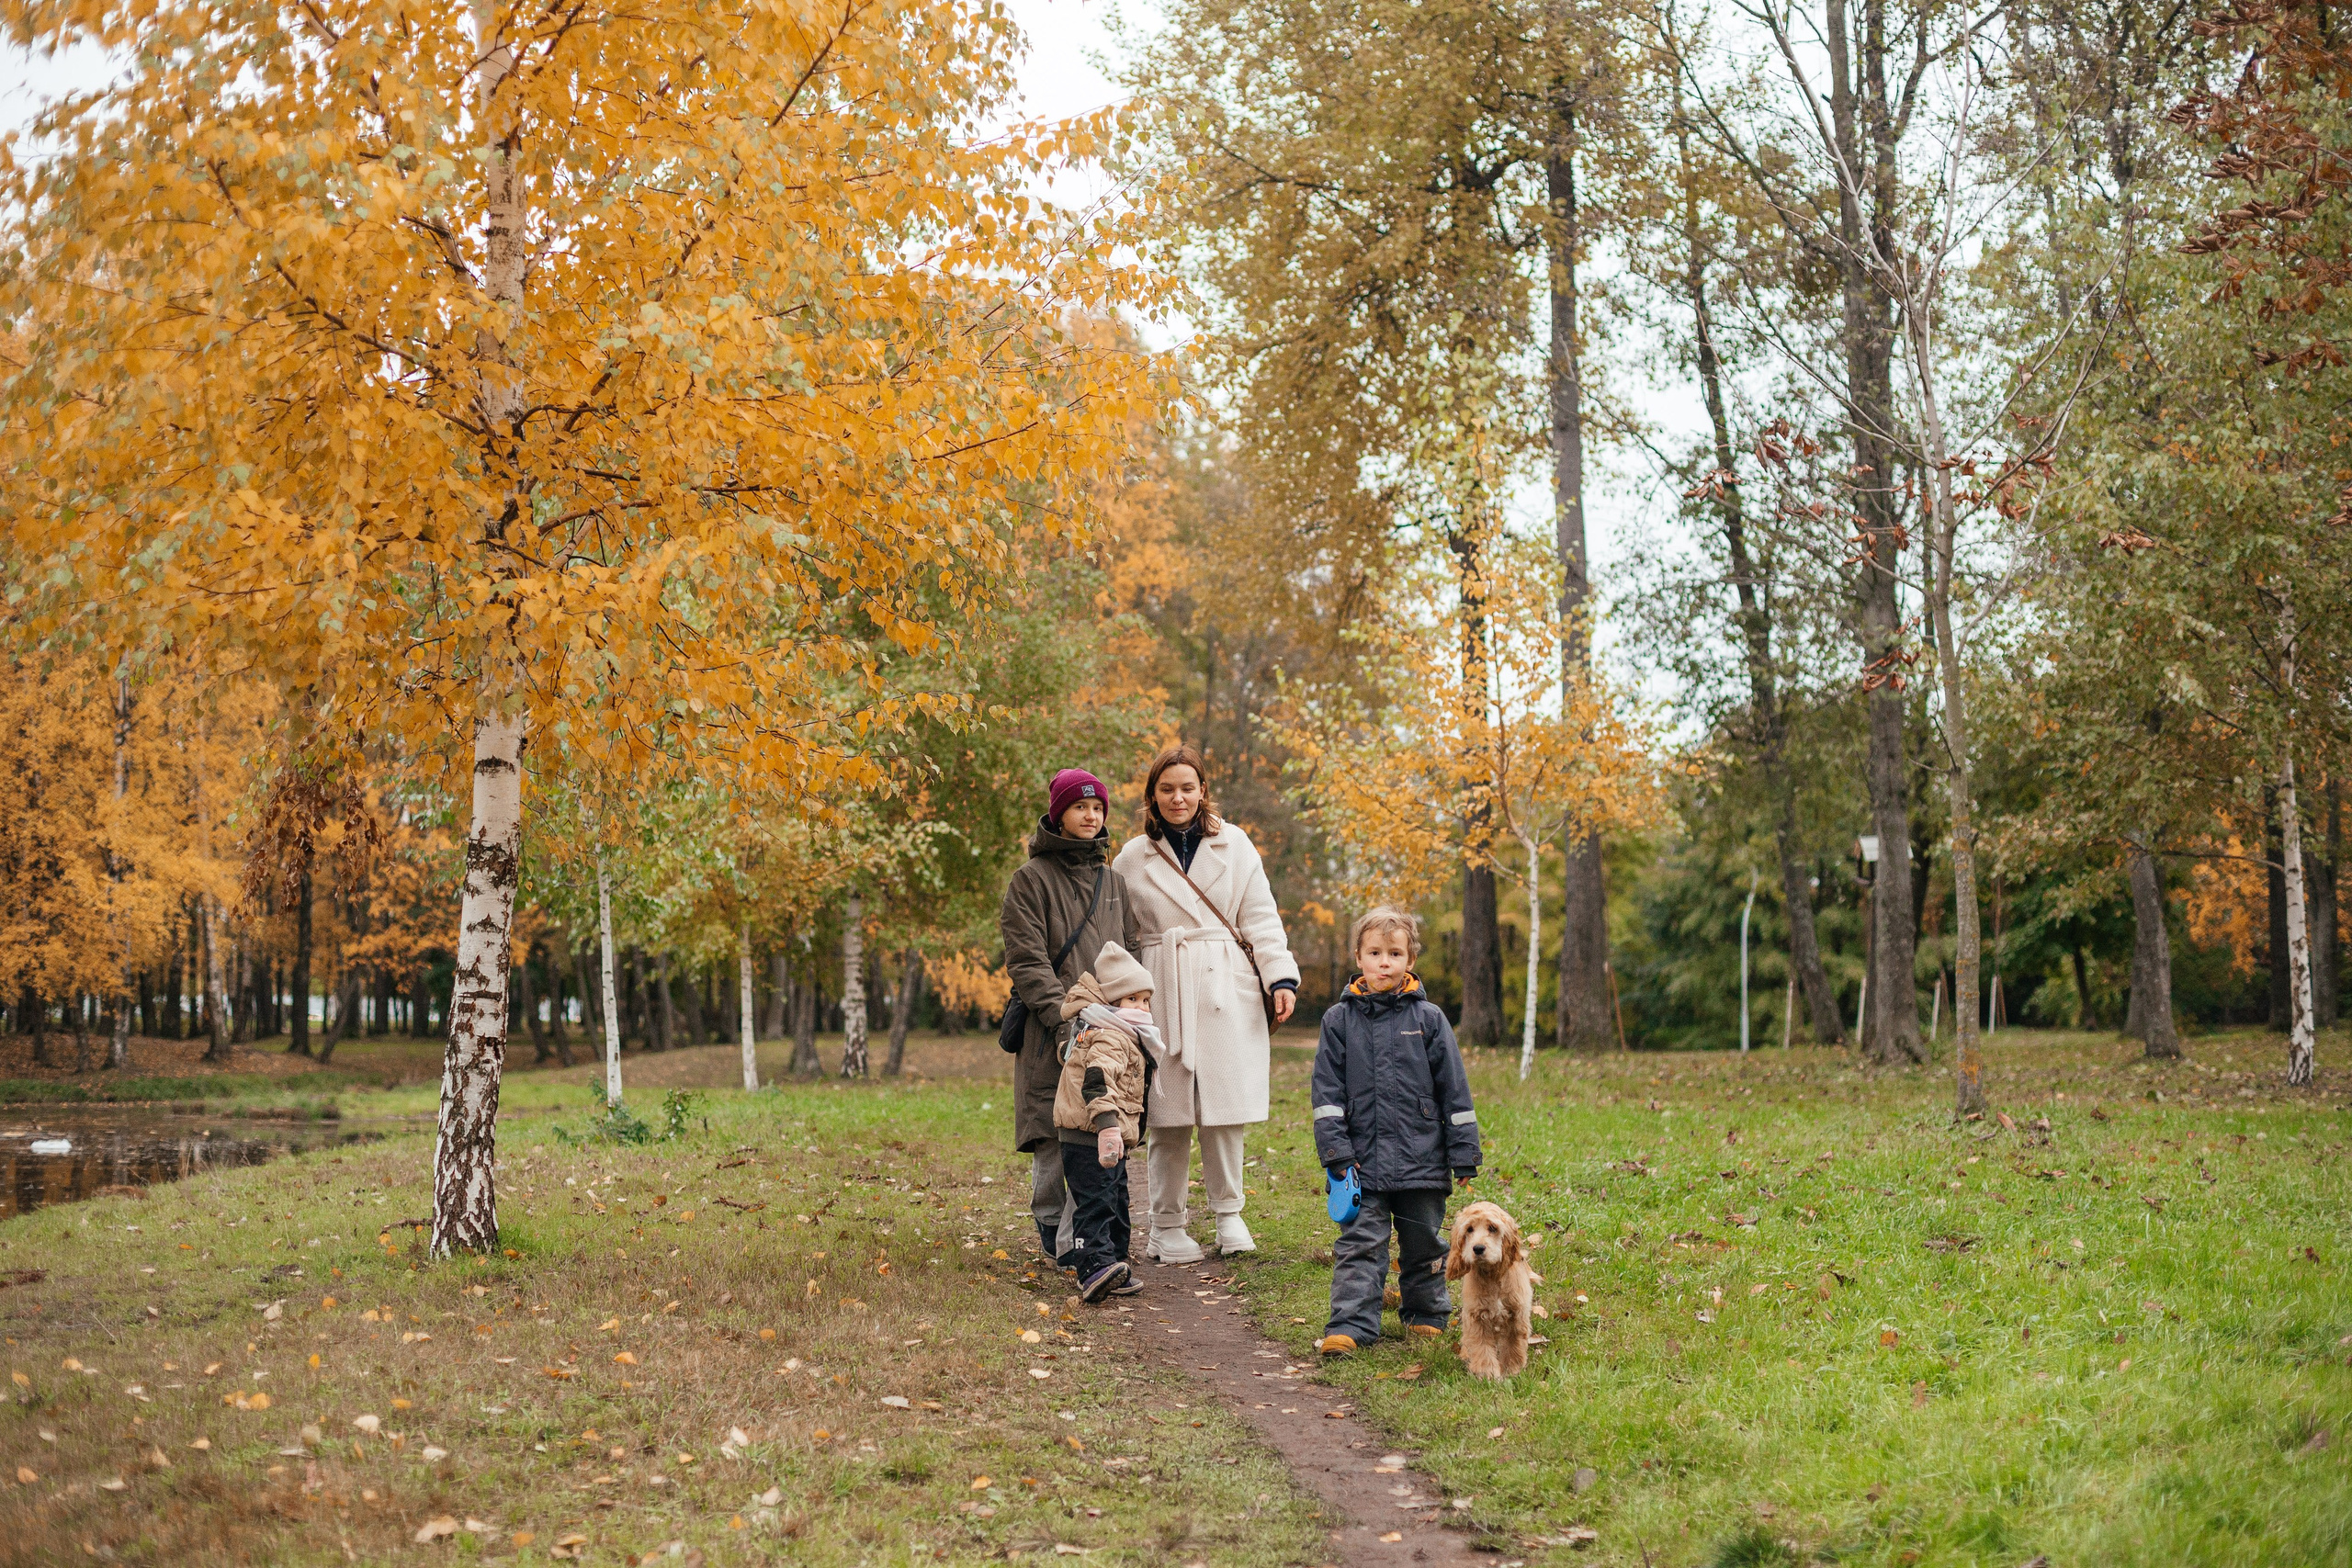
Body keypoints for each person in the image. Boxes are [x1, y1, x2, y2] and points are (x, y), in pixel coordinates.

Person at [1113, 744, 1299, 1263]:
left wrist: (1279, 977)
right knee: (1166, 1114)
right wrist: (1123, 997)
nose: (1178, 798)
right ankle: (1166, 1226)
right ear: (1153, 795)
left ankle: (1229, 1215)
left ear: (1202, 791)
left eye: (1187, 788)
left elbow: (1261, 916)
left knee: (1223, 1110)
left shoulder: (1236, 845)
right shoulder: (1132, 856)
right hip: (1160, 985)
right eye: (1167, 789)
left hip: (1225, 985)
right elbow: (1120, 933)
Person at [1309, 905, 1480, 1356]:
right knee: (1360, 1245)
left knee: (1424, 1240)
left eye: (1395, 953)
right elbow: (1326, 1095)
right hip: (1360, 1162)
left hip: (1423, 1157)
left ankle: (1425, 1313)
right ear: (1359, 958)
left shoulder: (1430, 1019)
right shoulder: (1338, 1021)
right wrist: (1336, 1153)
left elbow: (1455, 1092)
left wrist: (1464, 1152)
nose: (1385, 962)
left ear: (1410, 961)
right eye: (1375, 952)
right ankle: (1350, 1325)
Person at [1001, 768, 1140, 1268]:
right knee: (1052, 1139)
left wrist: (1130, 1016)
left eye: (1098, 807)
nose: (1091, 815)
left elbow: (1132, 954)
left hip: (1106, 1035)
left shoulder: (1115, 883)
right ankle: (1051, 1230)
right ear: (1059, 814)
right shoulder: (1029, 881)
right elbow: (1027, 960)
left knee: (1096, 1131)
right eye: (1080, 807)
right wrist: (1064, 1018)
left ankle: (1083, 1245)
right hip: (1049, 1032)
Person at [1052, 942, 1160, 1301]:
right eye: (1133, 1000)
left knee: (1115, 1198)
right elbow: (1097, 1079)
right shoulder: (1111, 1034)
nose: (1142, 1007)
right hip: (1092, 1133)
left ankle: (1113, 1261)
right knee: (1096, 1200)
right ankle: (1092, 1268)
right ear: (1114, 1002)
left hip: (1107, 1135)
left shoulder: (1117, 1030)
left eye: (1146, 1000)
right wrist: (1108, 1126)